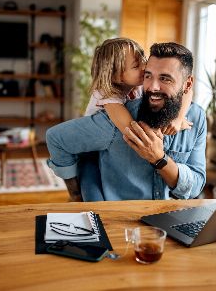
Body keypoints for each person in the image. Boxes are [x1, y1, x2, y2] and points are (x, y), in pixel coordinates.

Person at [46, 42, 207, 202]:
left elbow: (195, 187)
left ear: (187, 83)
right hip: (115, 211)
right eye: (148, 75)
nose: (152, 87)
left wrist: (176, 123)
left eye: (165, 78)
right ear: (117, 75)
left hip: (166, 217)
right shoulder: (114, 110)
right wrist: (73, 190)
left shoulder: (196, 117)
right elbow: (56, 138)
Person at [85, 37, 193, 135]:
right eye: (136, 66)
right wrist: (167, 126)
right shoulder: (106, 94)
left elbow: (187, 91)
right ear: (115, 76)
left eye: (143, 59)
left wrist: (178, 119)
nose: (144, 67)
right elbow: (133, 131)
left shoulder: (137, 85)